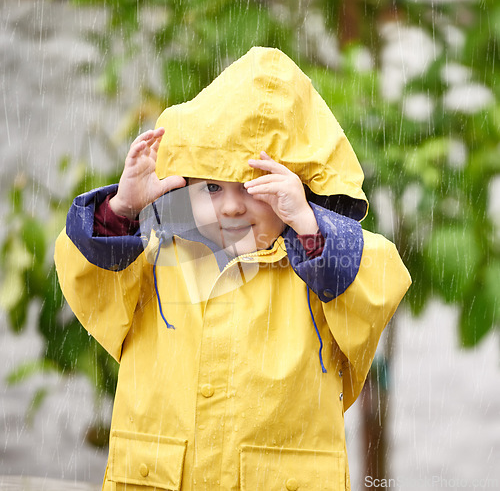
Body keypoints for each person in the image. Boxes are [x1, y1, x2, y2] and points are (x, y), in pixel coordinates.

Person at [55, 47, 411, 491]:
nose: (230, 206)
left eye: (256, 185)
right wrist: (123, 209)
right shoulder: (155, 257)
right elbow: (89, 282)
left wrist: (309, 225)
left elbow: (378, 289)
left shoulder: (320, 270)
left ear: (299, 186)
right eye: (211, 186)